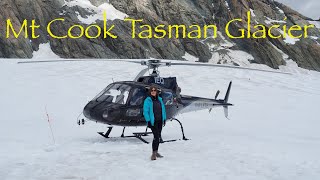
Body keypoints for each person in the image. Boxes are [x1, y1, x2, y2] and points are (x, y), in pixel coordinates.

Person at [143, 85, 167, 161]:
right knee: (156, 137)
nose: (153, 91)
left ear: (157, 92)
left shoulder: (160, 99)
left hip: (160, 121)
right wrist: (148, 121)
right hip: (153, 122)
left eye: (154, 90)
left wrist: (164, 119)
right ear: (150, 92)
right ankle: (153, 154)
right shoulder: (148, 100)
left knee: (158, 137)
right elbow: (145, 112)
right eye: (152, 90)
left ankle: (156, 152)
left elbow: (163, 110)